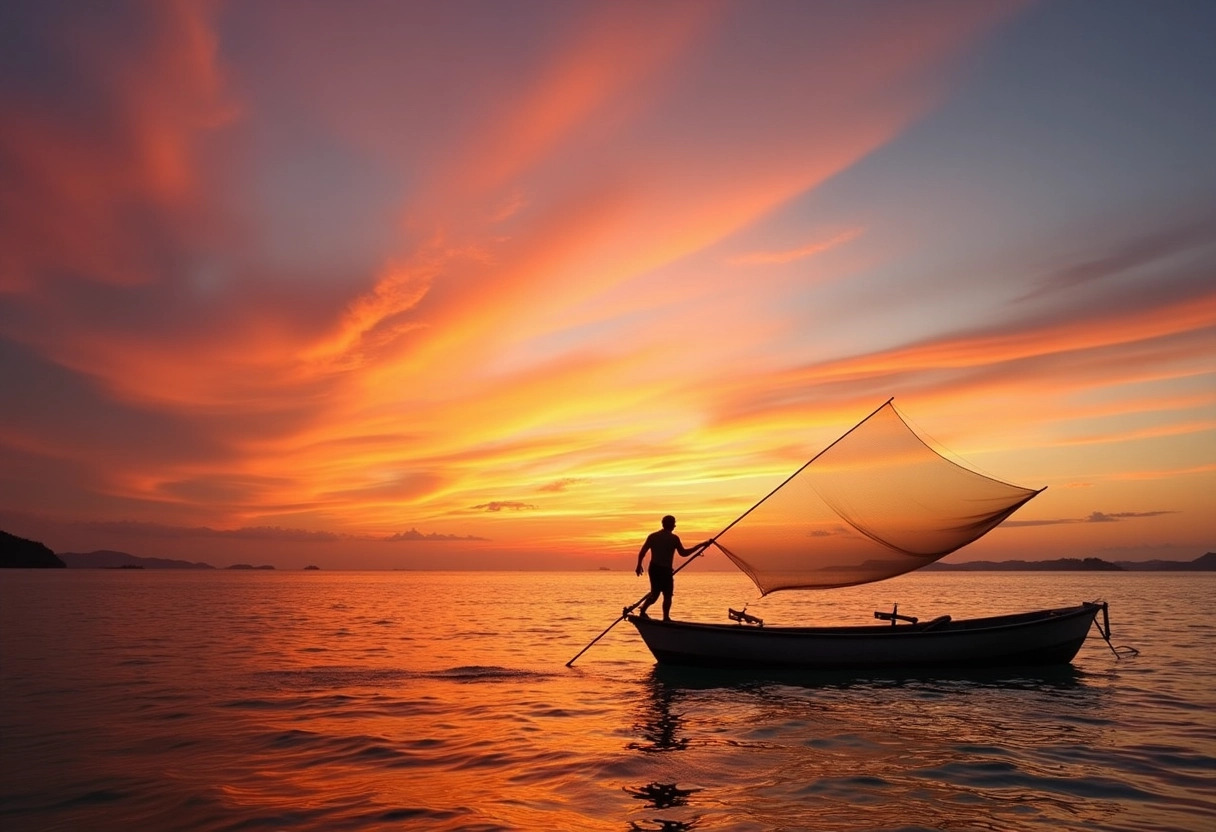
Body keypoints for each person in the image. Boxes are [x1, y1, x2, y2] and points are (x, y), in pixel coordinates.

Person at [635, 515, 711, 621]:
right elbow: (643, 551)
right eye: (673, 523)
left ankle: (665, 617)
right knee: (656, 594)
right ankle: (643, 611)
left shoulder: (672, 538)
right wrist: (639, 565)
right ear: (668, 524)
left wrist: (701, 546)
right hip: (656, 569)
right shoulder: (658, 537)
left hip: (664, 570)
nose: (675, 525)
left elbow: (683, 553)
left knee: (667, 595)